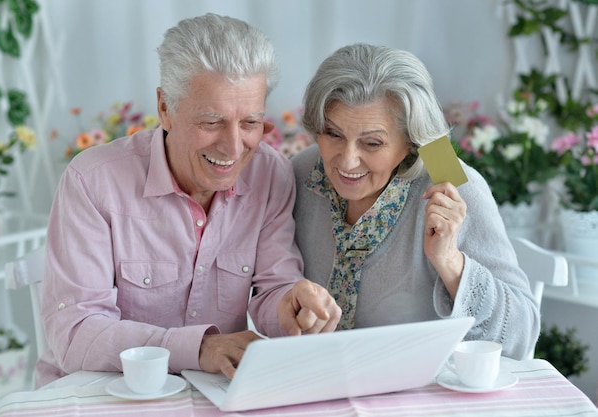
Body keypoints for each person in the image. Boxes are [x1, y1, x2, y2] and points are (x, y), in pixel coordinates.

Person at [36, 13, 341, 388]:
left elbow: (272, 291)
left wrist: (291, 306)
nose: (233, 148)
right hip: (96, 393)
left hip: (210, 395)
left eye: (250, 123)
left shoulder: (270, 174)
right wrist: (200, 349)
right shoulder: (92, 181)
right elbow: (75, 334)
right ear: (165, 108)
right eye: (211, 122)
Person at [292, 43, 539, 360]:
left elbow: (521, 335)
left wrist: (450, 261)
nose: (348, 161)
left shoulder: (450, 181)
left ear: (411, 141)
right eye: (333, 134)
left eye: (372, 142)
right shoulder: (302, 171)